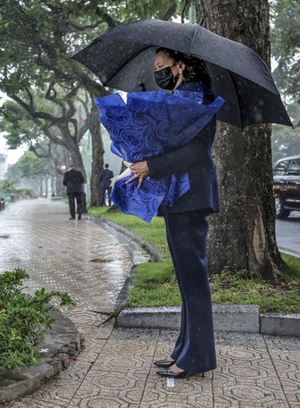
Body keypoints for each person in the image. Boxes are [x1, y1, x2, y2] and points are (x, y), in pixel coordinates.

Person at [127, 47, 219, 379]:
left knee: (193, 279)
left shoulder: (196, 94)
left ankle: (196, 358)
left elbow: (195, 149)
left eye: (161, 65)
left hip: (190, 196)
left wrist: (152, 165)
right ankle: (185, 350)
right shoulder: (183, 94)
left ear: (180, 65)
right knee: (186, 278)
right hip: (180, 196)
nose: (158, 71)